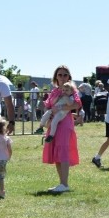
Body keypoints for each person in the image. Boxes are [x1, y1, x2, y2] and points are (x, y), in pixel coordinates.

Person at [41, 65, 82, 193]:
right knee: (57, 152)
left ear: (69, 77)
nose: (63, 77)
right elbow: (47, 105)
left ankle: (64, 184)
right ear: (56, 77)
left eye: (65, 75)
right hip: (54, 123)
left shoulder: (72, 90)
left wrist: (62, 108)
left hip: (65, 123)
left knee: (63, 151)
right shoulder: (54, 91)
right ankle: (61, 183)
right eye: (60, 75)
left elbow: (77, 104)